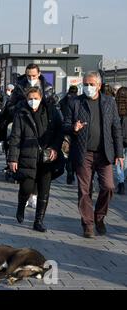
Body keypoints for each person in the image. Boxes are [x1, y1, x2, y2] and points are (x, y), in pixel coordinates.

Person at [63, 72, 124, 238]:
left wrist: (119, 153)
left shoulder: (109, 102)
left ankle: (99, 217)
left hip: (104, 153)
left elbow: (116, 129)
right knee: (84, 190)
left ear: (98, 85)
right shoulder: (75, 102)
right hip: (83, 153)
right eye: (85, 84)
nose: (88, 87)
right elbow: (66, 124)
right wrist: (72, 127)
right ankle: (88, 224)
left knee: (109, 187)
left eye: (91, 84)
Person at [8, 87, 63, 233]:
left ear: (41, 97)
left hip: (46, 157)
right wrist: (13, 158)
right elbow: (15, 136)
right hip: (27, 156)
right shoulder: (21, 113)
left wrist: (55, 148)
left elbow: (59, 131)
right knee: (26, 187)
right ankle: (21, 205)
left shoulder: (51, 111)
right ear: (26, 99)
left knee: (44, 190)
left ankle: (38, 220)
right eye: (30, 98)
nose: (33, 101)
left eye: (36, 98)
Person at [59, 85, 79, 185]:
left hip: (66, 131)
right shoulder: (78, 101)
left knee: (67, 153)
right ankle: (72, 171)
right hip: (76, 132)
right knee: (75, 154)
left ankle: (69, 172)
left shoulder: (63, 101)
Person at [114, 87, 127, 195]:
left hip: (119, 138)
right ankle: (124, 179)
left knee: (119, 161)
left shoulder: (115, 108)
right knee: (126, 162)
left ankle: (121, 182)